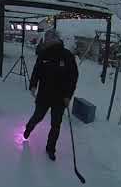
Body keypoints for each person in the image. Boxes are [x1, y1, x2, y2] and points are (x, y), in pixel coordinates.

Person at [23, 30, 79, 161]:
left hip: (60, 98)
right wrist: (33, 85)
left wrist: (68, 95)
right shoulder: (44, 54)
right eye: (47, 41)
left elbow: (73, 77)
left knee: (56, 124)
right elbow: (37, 71)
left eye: (48, 40)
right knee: (38, 116)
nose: (47, 43)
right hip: (44, 95)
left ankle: (50, 148)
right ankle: (28, 128)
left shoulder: (67, 56)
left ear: (56, 40)